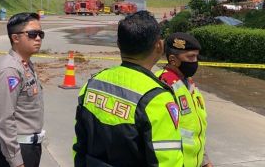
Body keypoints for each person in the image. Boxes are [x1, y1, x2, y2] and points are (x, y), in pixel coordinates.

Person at [73, 11, 183, 167]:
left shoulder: (92, 85)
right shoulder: (157, 99)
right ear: (159, 46)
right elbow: (168, 162)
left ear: (118, 44)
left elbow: (79, 146)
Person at [0, 12, 45, 167]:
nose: (38, 38)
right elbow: (5, 120)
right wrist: (16, 161)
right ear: (15, 38)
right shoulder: (10, 71)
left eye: (40, 34)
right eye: (32, 34)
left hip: (30, 148)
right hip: (18, 151)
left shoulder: (26, 64)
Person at [157, 32, 212, 167]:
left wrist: (205, 161)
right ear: (173, 59)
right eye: (190, 57)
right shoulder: (163, 86)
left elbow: (196, 131)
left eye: (196, 57)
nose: (195, 62)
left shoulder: (190, 84)